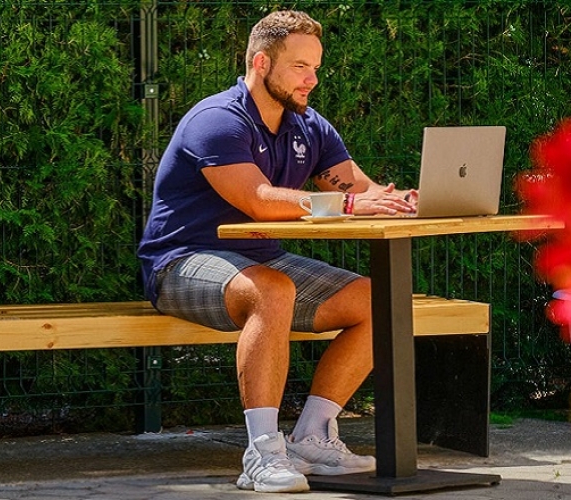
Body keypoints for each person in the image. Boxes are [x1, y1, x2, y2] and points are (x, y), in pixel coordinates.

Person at [136, 10, 418, 493]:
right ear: (261, 62)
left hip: (261, 261)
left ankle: (311, 439)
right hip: (179, 262)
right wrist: (351, 205)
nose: (312, 80)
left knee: (379, 301)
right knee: (272, 290)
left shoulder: (309, 126)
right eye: (300, 67)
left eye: (316, 68)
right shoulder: (217, 120)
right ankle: (262, 455)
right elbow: (259, 200)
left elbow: (359, 189)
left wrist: (409, 201)